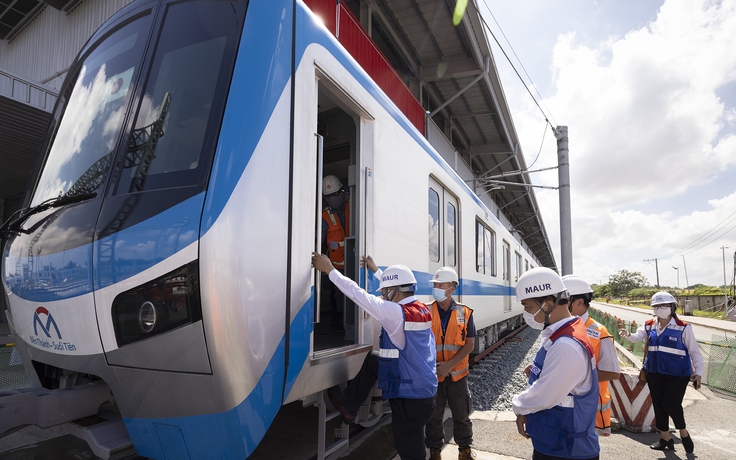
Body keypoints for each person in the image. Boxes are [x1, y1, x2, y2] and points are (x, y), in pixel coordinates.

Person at [312, 252, 436, 460]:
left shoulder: (395, 313)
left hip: (409, 397)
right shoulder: (422, 309)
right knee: (373, 358)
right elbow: (395, 290)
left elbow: (358, 295)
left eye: (385, 291)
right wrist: (377, 271)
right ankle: (349, 406)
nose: (382, 295)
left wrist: (330, 271)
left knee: (410, 451)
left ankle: (350, 405)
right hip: (424, 392)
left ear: (395, 291)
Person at [512, 267, 600, 460]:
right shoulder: (563, 332)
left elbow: (545, 395)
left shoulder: (566, 344)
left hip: (567, 449)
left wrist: (519, 407)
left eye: (528, 307)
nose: (526, 313)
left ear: (548, 303)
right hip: (557, 440)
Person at [619, 291, 703, 454]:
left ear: (672, 307)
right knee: (658, 405)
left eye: (664, 305)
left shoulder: (683, 328)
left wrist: (698, 372)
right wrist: (628, 335)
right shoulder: (649, 324)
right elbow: (637, 337)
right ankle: (665, 438)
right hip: (655, 372)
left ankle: (684, 433)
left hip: (678, 374)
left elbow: (694, 351)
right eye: (657, 306)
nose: (661, 308)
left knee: (671, 404)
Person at [421, 266, 477, 460]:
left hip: (457, 376)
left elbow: (469, 345)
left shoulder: (465, 312)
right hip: (433, 375)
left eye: (440, 285)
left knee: (461, 415)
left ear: (452, 288)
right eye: (435, 284)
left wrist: (449, 365)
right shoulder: (426, 311)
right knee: (433, 417)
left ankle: (465, 452)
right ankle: (435, 451)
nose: (436, 288)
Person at [563, 275, 620, 437]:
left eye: (563, 300)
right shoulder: (560, 327)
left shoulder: (599, 333)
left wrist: (577, 377)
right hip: (565, 409)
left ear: (579, 302)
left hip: (589, 411)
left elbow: (613, 372)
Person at [321, 175, 350, 331]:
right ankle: (339, 321)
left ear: (342, 191)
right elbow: (318, 239)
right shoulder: (325, 216)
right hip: (336, 265)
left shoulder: (354, 203)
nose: (333, 199)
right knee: (338, 294)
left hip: (355, 262)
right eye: (328, 197)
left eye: (335, 194)